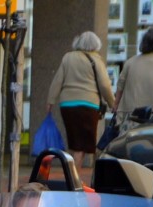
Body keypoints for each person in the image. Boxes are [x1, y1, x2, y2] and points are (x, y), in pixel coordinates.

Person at [46, 31, 113, 169]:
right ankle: (75, 179)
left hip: (67, 105)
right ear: (96, 44)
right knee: (82, 145)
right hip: (88, 105)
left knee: (75, 141)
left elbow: (58, 80)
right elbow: (105, 85)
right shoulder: (97, 60)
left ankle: (73, 174)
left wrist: (50, 100)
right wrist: (113, 103)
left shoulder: (68, 57)